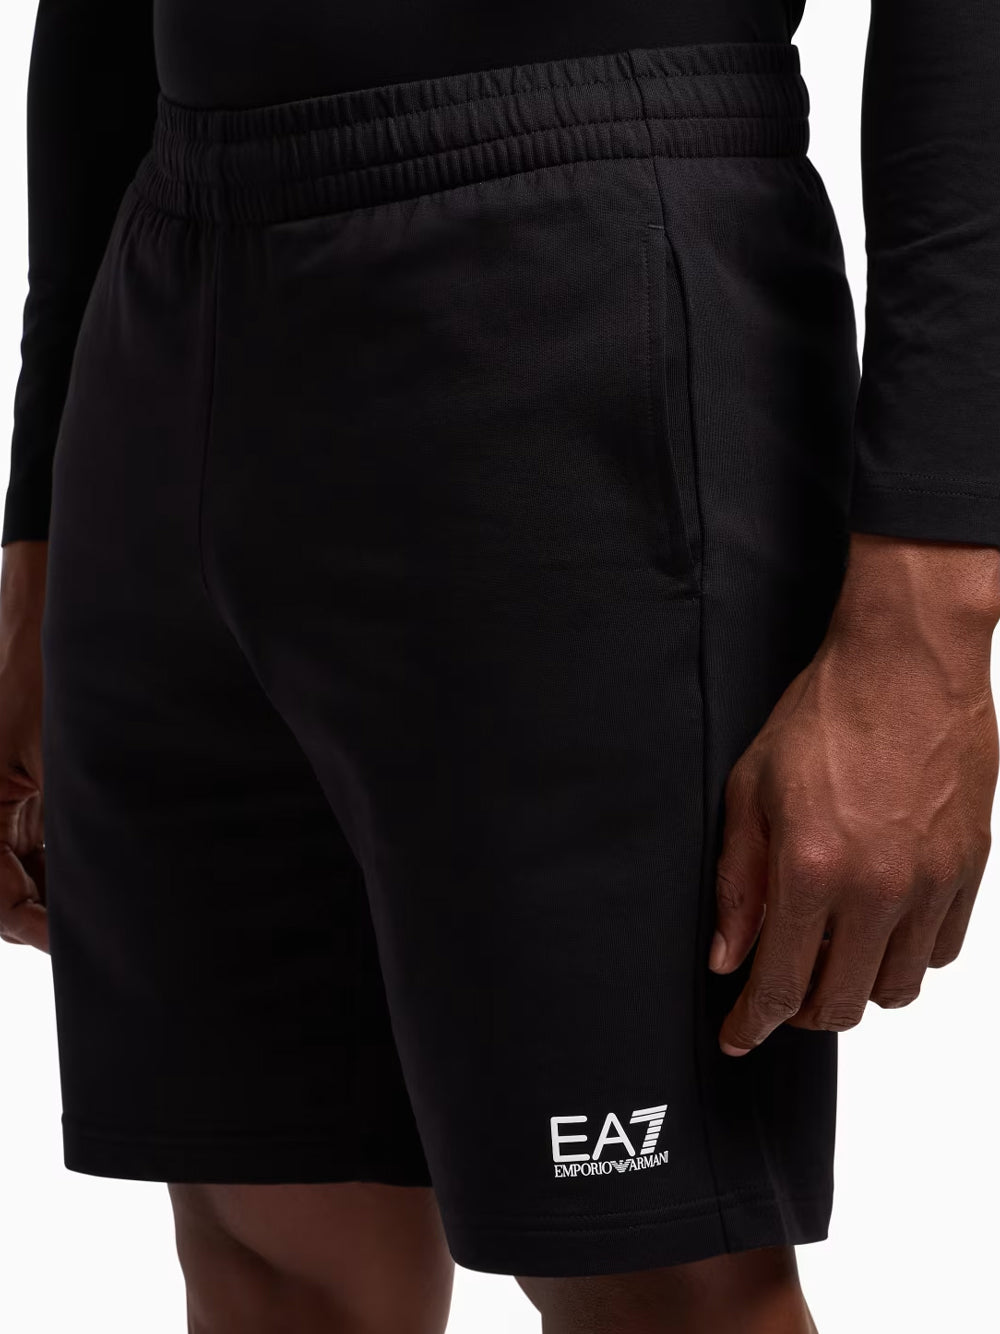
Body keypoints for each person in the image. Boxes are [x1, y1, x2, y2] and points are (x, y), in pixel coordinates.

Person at [1, 2, 998, 1331]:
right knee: (273, 1244)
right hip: (170, 294)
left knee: (655, 1273)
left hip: (573, 279)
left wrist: (931, 605)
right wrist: (39, 545)